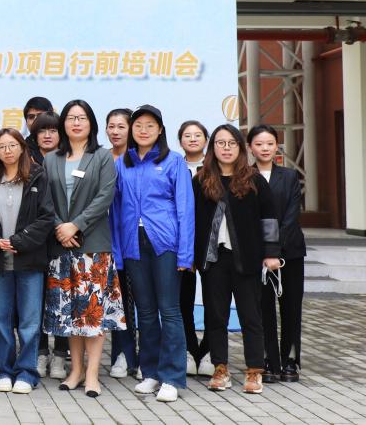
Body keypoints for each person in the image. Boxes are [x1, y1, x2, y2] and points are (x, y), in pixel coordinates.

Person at [110, 105, 194, 403]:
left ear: (160, 130)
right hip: (133, 245)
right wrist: (118, 253)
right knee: (144, 312)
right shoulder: (123, 164)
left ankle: (172, 377)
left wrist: (185, 255)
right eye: (138, 125)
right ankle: (151, 372)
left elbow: (185, 209)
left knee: (169, 311)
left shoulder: (173, 161)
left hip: (165, 244)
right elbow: (115, 211)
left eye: (150, 125)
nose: (143, 130)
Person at [43, 100, 124, 398]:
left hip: (92, 246)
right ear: (63, 123)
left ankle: (92, 374)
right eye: (71, 118)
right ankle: (75, 371)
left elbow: (105, 196)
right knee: (70, 314)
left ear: (91, 123)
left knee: (92, 314)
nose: (76, 123)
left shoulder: (101, 156)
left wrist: (75, 225)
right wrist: (59, 228)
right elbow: (45, 200)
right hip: (60, 245)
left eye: (82, 118)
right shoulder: (51, 159)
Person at [193, 124, 281, 395]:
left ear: (241, 148)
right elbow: (192, 221)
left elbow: (269, 220)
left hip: (247, 259)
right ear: (212, 147)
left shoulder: (254, 180)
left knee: (250, 316)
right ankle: (220, 368)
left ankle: (254, 371)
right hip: (213, 260)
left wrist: (272, 253)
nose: (226, 148)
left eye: (232, 143)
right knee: (215, 316)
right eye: (220, 143)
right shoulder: (201, 180)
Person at [0, 128, 55, 394]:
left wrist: (20, 240)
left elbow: (46, 217)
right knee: (2, 319)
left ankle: (27, 372)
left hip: (29, 259)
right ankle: (5, 370)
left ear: (22, 147)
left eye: (12, 145)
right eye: (1, 147)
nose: (7, 151)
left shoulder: (37, 176)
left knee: (30, 321)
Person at [247, 124, 305, 383]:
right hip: (257, 256)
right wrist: (263, 251)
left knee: (291, 307)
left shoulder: (289, 176)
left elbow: (291, 216)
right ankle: (269, 359)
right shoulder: (244, 177)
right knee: (264, 308)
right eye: (259, 144)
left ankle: (290, 359)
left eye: (270, 143)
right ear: (250, 147)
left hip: (290, 252)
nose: (265, 148)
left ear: (277, 146)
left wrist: (275, 250)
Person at [29, 110, 68, 379]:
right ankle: (40, 352)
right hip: (34, 240)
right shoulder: (26, 160)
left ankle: (61, 354)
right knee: (38, 299)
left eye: (52, 130)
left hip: (63, 238)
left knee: (62, 298)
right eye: (42, 130)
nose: (47, 135)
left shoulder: (69, 160)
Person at [105, 108, 139, 380]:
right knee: (119, 302)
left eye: (121, 126)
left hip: (135, 240)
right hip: (106, 240)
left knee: (143, 302)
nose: (115, 132)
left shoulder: (139, 160)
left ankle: (145, 356)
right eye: (111, 126)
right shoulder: (102, 158)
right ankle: (122, 354)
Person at [177, 120, 213, 378]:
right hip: (181, 245)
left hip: (210, 244)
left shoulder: (214, 168)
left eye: (197, 135)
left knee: (213, 299)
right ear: (180, 141)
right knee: (183, 300)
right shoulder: (174, 166)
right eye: (187, 135)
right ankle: (189, 350)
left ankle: (209, 351)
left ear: (206, 140)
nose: (192, 139)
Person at [22, 96, 55, 165]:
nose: (36, 120)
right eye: (31, 117)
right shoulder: (22, 149)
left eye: (40, 115)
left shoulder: (66, 145)